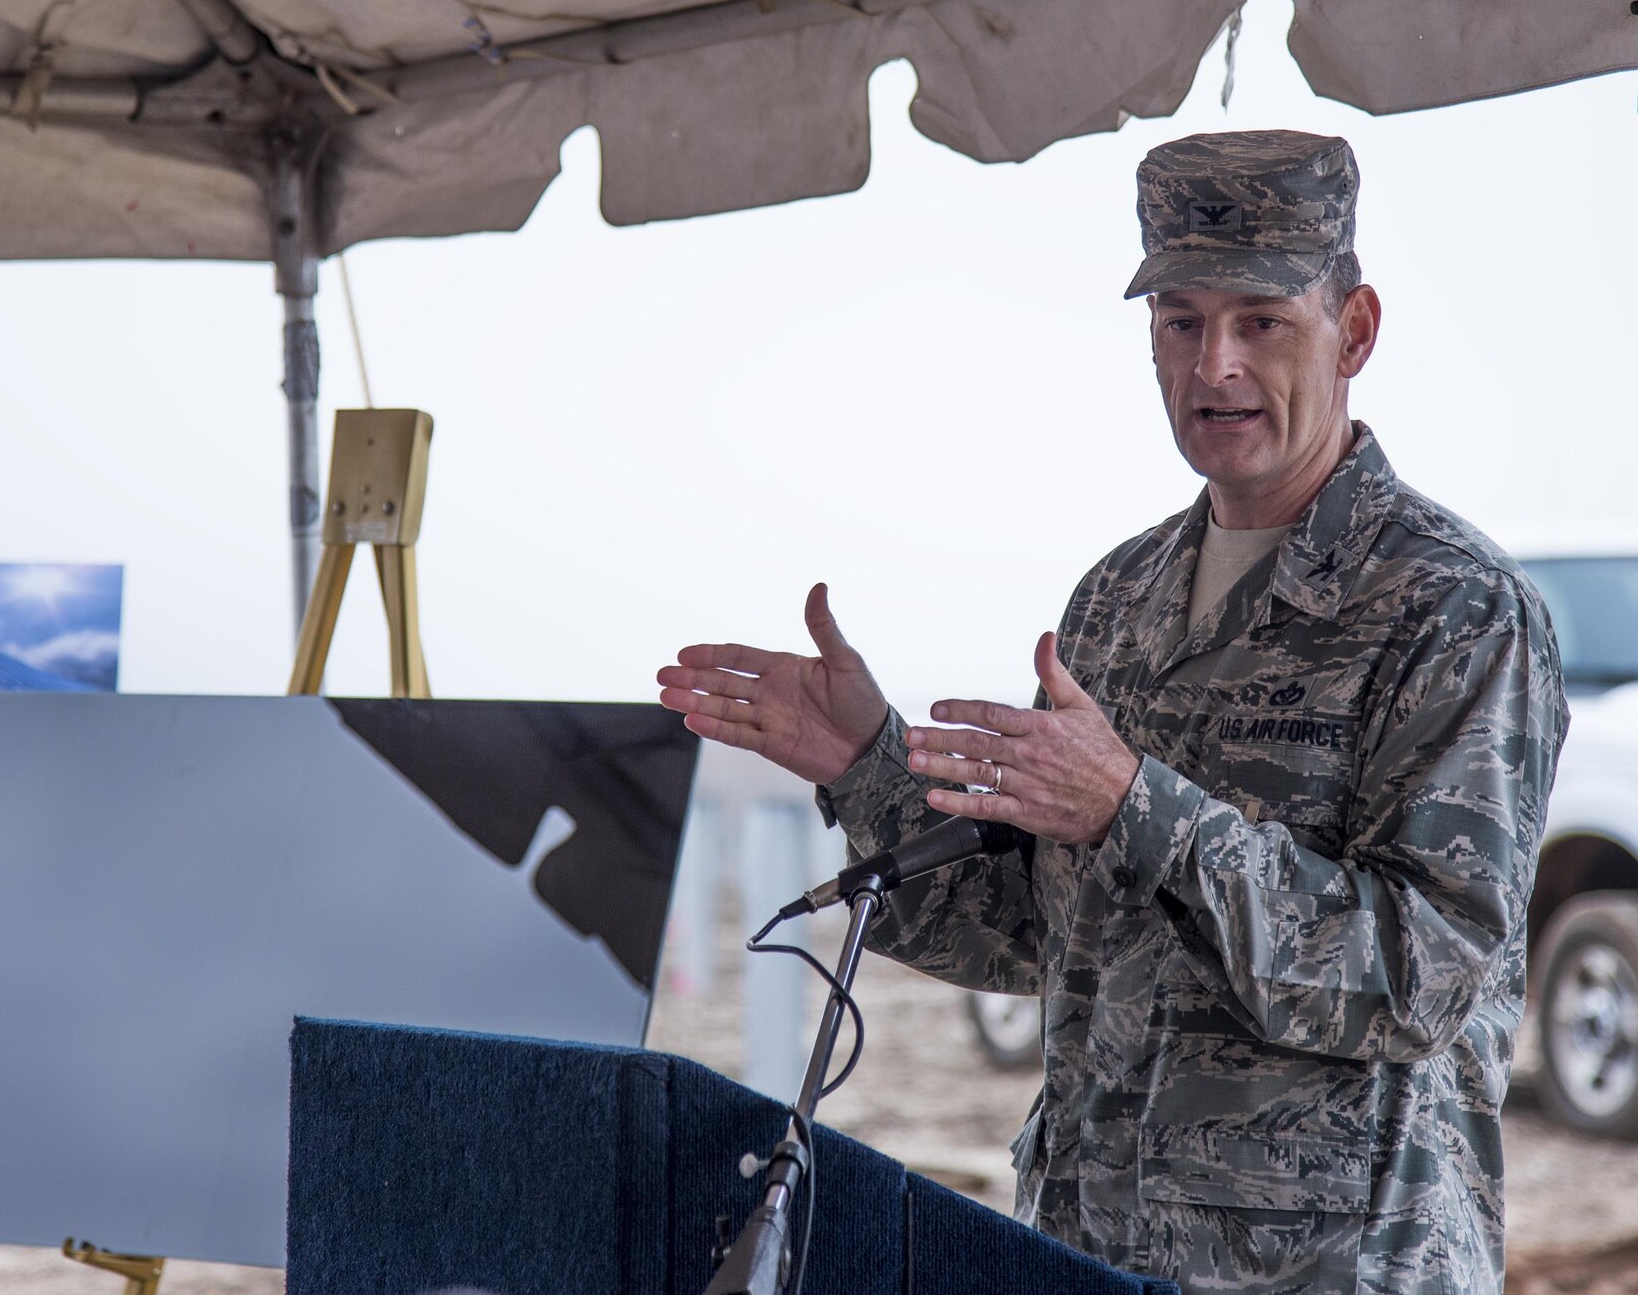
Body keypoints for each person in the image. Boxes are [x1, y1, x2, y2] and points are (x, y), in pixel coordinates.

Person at [657, 130, 1568, 1294]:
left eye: (1260, 322)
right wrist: (866, 767)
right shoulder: (1116, 601)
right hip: (1087, 1251)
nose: (1214, 365)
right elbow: (1039, 938)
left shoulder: (1454, 610)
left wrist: (1141, 812)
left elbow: (1418, 978)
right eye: (1178, 322)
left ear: (1353, 331)